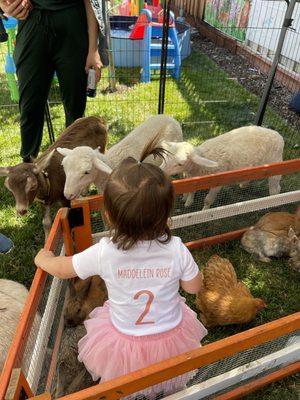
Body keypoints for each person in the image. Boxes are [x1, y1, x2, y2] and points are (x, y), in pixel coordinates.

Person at [34, 141, 207, 398]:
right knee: (169, 375)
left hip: (125, 338)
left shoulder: (106, 251)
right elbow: (194, 287)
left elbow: (64, 269)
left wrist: (44, 259)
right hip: (170, 337)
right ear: (166, 214)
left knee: (125, 380)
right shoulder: (176, 248)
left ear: (109, 216)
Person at [0, 0, 102, 162]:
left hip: (73, 24)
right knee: (30, 106)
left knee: (74, 109)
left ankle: (70, 169)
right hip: (32, 23)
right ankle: (28, 170)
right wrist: (3, 4)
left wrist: (93, 50)